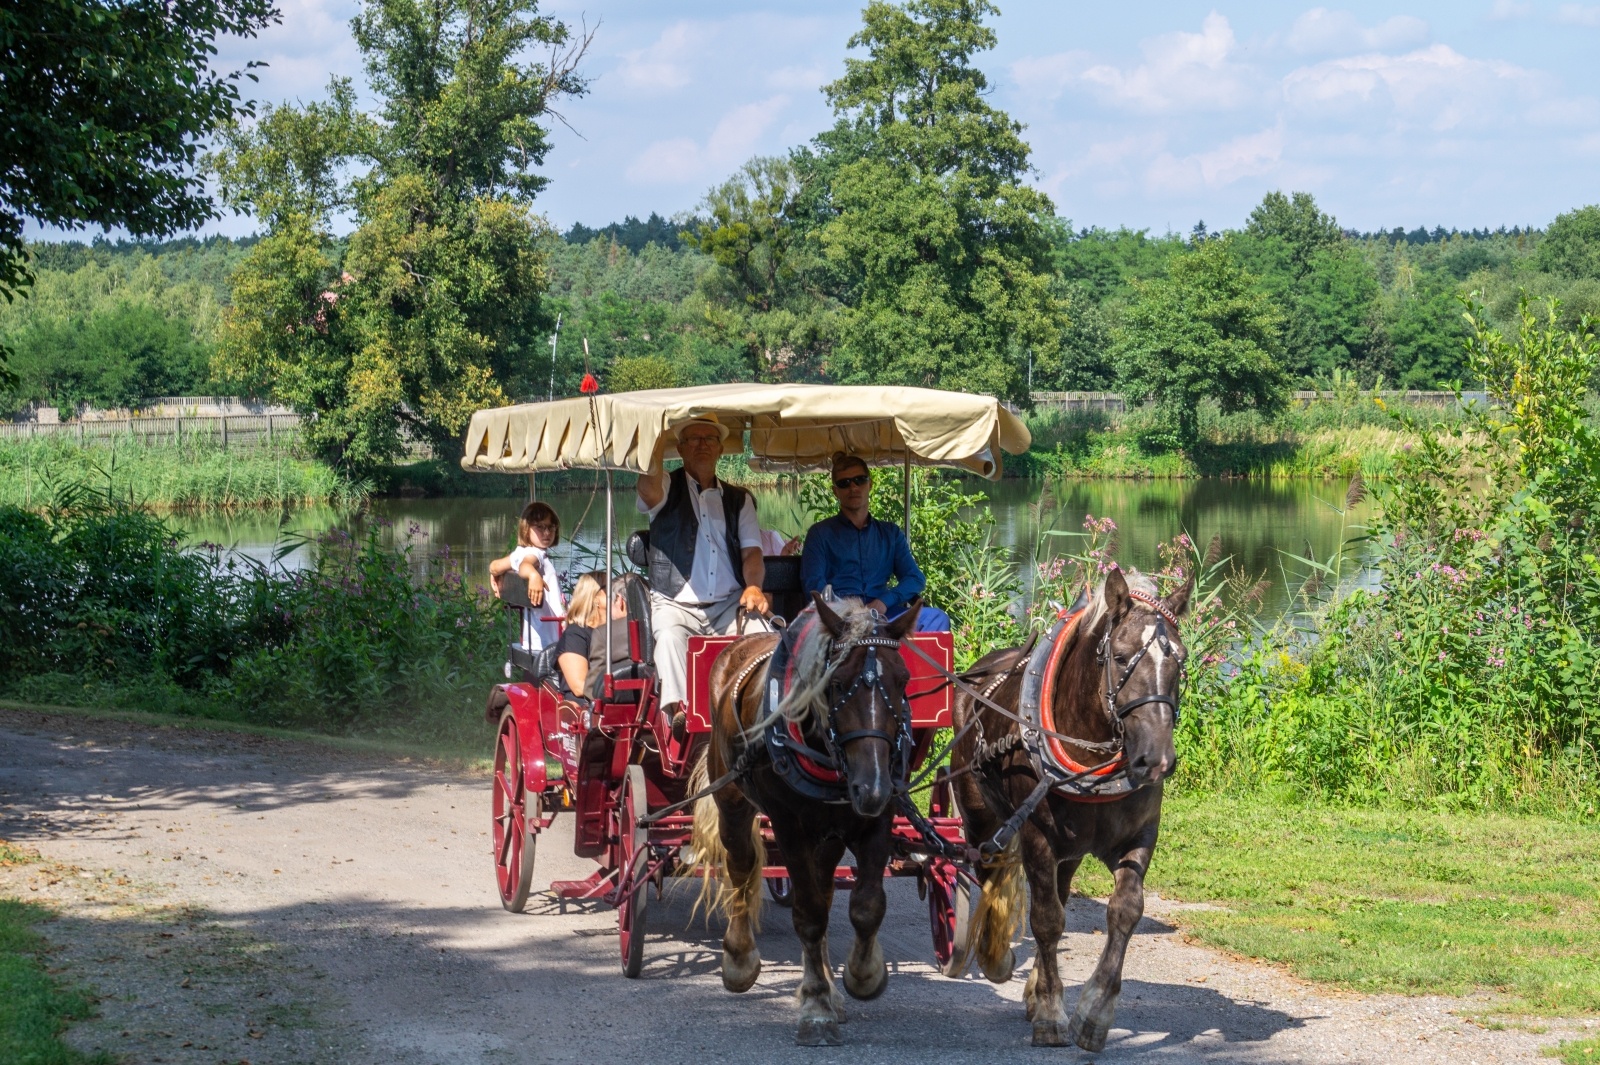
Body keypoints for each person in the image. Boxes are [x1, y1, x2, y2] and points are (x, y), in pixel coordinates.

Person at [636, 415, 773, 737]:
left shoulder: (740, 499)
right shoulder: (667, 487)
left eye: (709, 439)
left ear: (721, 449)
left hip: (727, 604)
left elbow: (752, 553)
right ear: (680, 448)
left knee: (766, 636)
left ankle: (765, 716)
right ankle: (681, 719)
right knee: (669, 638)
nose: (702, 444)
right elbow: (648, 488)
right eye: (693, 439)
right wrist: (655, 436)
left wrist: (754, 587)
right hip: (675, 602)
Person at [799, 452, 952, 633]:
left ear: (870, 484)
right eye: (844, 483)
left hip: (884, 614)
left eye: (860, 480)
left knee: (936, 618)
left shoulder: (890, 534)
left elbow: (915, 578)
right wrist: (846, 611)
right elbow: (815, 585)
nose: (853, 487)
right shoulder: (820, 534)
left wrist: (884, 602)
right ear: (835, 491)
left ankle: (911, 663)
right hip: (842, 620)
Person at [488, 501, 566, 651]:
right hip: (550, 637)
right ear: (526, 530)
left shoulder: (521, 552)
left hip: (536, 637)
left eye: (551, 527)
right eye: (540, 527)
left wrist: (494, 574)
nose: (547, 532)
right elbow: (526, 566)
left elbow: (494, 566)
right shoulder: (535, 554)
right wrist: (534, 576)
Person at [553, 572, 634, 700]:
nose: (613, 591)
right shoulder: (575, 634)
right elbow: (579, 687)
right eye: (608, 587)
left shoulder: (616, 629)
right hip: (584, 703)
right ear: (595, 598)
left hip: (616, 696)